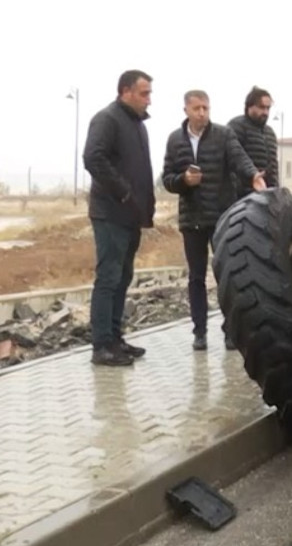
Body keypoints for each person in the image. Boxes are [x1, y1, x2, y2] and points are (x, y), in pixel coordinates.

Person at [160, 90, 265, 350]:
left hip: (221, 218)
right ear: (186, 110)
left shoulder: (223, 135)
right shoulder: (175, 140)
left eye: (206, 108)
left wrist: (253, 175)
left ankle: (231, 330)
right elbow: (167, 179)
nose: (202, 113)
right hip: (191, 219)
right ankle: (200, 332)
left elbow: (239, 158)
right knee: (196, 277)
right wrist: (183, 180)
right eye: (197, 108)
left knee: (227, 276)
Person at [81, 70, 157, 367]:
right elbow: (93, 158)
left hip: (131, 216)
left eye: (149, 93)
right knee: (109, 277)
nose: (149, 99)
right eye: (144, 93)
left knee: (123, 277)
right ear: (125, 91)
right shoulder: (107, 119)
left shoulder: (137, 125)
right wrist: (124, 192)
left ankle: (115, 338)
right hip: (110, 213)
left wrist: (143, 207)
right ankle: (101, 346)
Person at [228, 86, 279, 199]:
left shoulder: (270, 133)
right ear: (249, 107)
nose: (265, 112)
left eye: (268, 108)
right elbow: (234, 158)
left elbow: (274, 167)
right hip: (242, 197)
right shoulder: (236, 127)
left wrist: (276, 192)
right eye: (261, 107)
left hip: (266, 195)